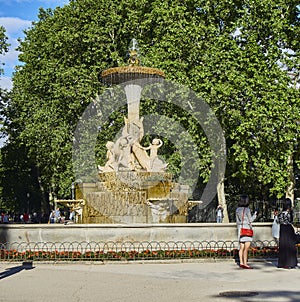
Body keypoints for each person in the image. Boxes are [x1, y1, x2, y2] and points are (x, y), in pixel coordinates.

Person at [236, 194, 257, 269]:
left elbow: (237, 221)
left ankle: (241, 262)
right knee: (246, 248)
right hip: (247, 229)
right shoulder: (247, 210)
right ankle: (245, 263)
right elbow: (250, 220)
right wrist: (255, 215)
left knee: (241, 247)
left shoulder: (237, 210)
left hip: (241, 229)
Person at [277, 198, 297, 269]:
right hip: (288, 229)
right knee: (290, 246)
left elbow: (277, 221)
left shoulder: (280, 214)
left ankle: (283, 263)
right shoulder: (290, 213)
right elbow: (291, 220)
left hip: (282, 229)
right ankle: (290, 262)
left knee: (283, 245)